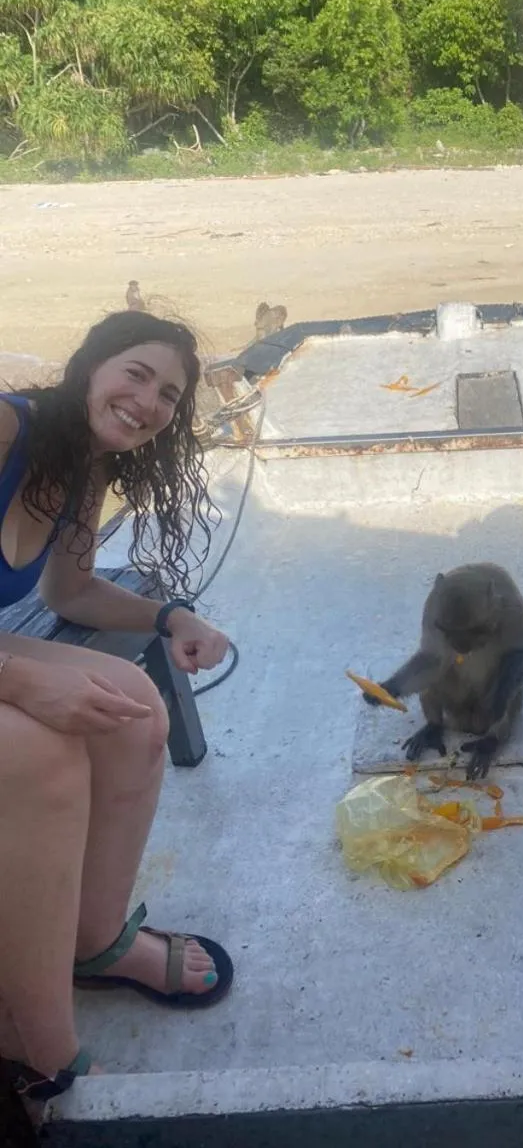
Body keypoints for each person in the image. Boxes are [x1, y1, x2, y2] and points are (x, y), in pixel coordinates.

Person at [0, 310, 234, 1108]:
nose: (148, 401)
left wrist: (171, 617)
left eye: (168, 395)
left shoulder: (82, 465)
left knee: (132, 707)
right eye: (135, 373)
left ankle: (94, 942)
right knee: (40, 756)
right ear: (91, 364)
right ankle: (44, 1049)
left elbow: (70, 593)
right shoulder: (8, 428)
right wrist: (19, 680)